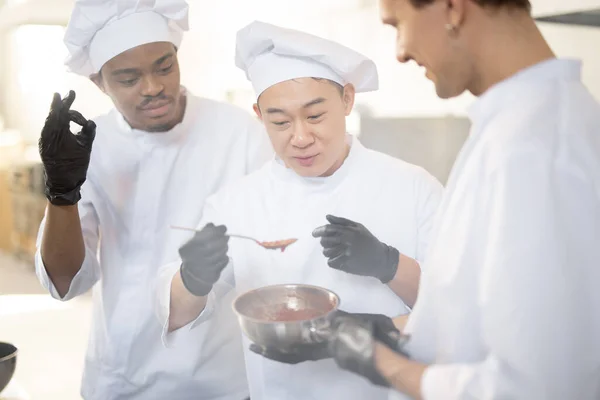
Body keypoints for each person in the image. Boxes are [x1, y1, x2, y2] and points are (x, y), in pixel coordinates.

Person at [156, 20, 443, 400]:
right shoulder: (237, 203)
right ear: (259, 115)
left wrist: (389, 264)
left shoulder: (413, 187)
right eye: (279, 122)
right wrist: (193, 278)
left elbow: (457, 309)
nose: (301, 138)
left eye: (315, 116)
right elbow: (177, 314)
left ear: (347, 100)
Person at [327, 0, 600, 399]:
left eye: (398, 24)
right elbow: (488, 316)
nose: (401, 51)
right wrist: (393, 330)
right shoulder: (519, 125)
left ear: (453, 8)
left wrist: (382, 363)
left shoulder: (534, 150)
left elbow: (533, 388)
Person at [34, 1, 273, 399]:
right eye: (128, 78)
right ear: (99, 81)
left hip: (220, 376)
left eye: (164, 67)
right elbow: (64, 282)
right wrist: (62, 192)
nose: (154, 87)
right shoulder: (90, 149)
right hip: (122, 373)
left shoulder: (241, 134)